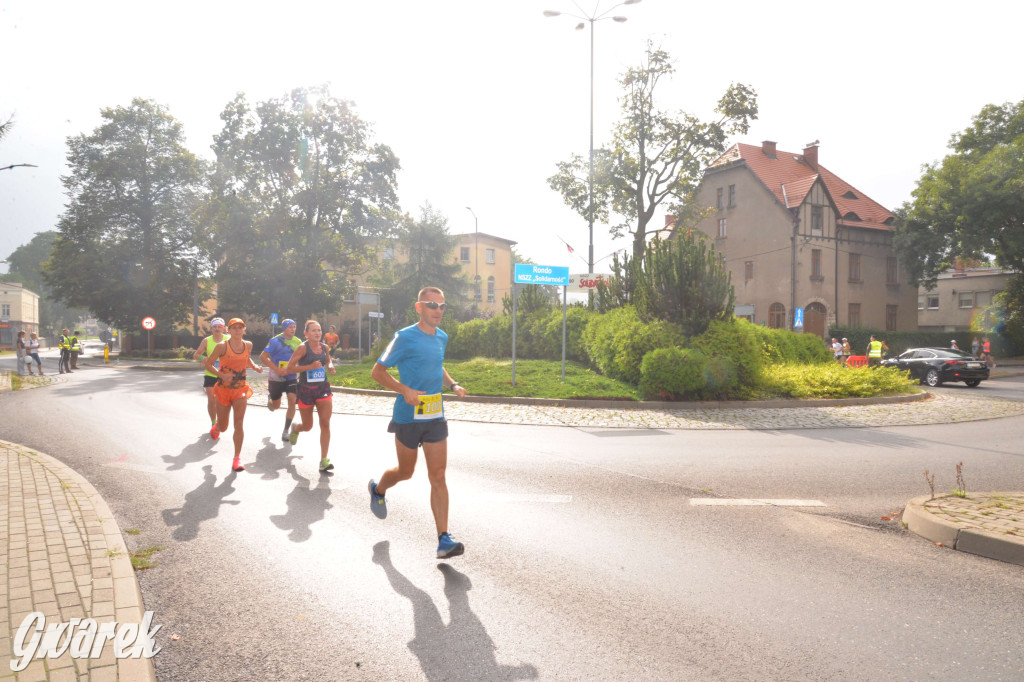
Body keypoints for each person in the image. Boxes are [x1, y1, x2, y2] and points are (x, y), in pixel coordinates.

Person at [368, 286, 468, 559]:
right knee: (406, 471)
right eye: (432, 305)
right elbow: (377, 371)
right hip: (407, 417)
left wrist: (453, 383)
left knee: (438, 475)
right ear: (419, 307)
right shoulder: (404, 337)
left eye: (442, 306)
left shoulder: (442, 337)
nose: (438, 310)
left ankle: (443, 539)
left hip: (435, 415)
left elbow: (438, 365)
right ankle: (378, 489)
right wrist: (404, 390)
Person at [204, 318, 263, 472]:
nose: (238, 330)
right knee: (224, 427)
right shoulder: (222, 346)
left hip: (240, 389)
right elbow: (208, 364)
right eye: (234, 328)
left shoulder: (248, 345)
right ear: (228, 330)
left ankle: (237, 458)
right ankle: (216, 426)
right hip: (223, 389)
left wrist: (255, 366)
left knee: (239, 423)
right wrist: (221, 376)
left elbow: (247, 358)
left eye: (240, 327)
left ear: (244, 330)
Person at [285, 320, 336, 472]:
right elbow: (290, 368)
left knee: (325, 422)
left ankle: (324, 460)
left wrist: (331, 367)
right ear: (306, 333)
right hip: (306, 390)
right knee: (308, 426)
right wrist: (310, 367)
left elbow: (327, 361)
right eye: (313, 331)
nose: (317, 333)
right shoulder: (302, 348)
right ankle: (296, 428)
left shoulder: (324, 347)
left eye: (319, 330)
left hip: (322, 389)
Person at [260, 318, 302, 443]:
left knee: (292, 401)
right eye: (290, 327)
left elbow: (302, 357)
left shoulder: (298, 342)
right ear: (284, 328)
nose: (293, 329)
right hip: (276, 376)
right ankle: (271, 400)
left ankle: (286, 431)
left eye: (294, 327)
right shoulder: (275, 341)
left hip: (291, 376)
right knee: (276, 406)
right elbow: (263, 357)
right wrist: (277, 369)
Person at [192, 318, 227, 430]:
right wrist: (203, 357)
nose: (217, 329)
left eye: (219, 326)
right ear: (211, 329)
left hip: (225, 375)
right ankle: (213, 423)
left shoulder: (229, 339)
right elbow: (196, 355)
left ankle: (221, 420)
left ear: (224, 328)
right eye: (214, 327)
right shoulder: (206, 341)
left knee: (222, 402)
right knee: (212, 400)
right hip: (210, 374)